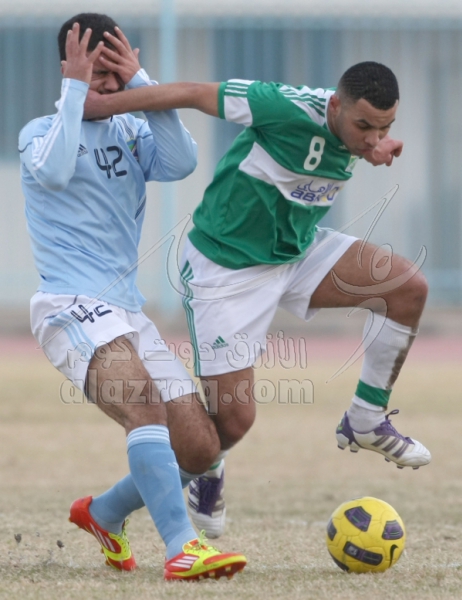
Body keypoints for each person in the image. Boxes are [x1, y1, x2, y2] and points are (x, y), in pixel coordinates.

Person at [83, 56, 431, 539]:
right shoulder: (282, 106)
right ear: (335, 106)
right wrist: (101, 105)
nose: (373, 137)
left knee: (407, 287)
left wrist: (371, 146)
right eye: (364, 126)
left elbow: (355, 144)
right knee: (232, 424)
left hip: (295, 251)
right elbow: (191, 91)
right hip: (226, 268)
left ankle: (366, 419)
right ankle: (201, 471)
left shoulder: (357, 133)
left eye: (385, 127)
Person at [18, 13, 246, 580]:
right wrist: (76, 91)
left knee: (199, 448)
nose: (106, 83)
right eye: (93, 71)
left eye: (112, 71)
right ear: (69, 70)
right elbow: (53, 173)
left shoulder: (131, 130)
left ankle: (102, 513)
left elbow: (182, 161)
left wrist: (143, 84)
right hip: (69, 305)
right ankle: (182, 549)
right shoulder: (38, 134)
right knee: (142, 402)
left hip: (126, 311)